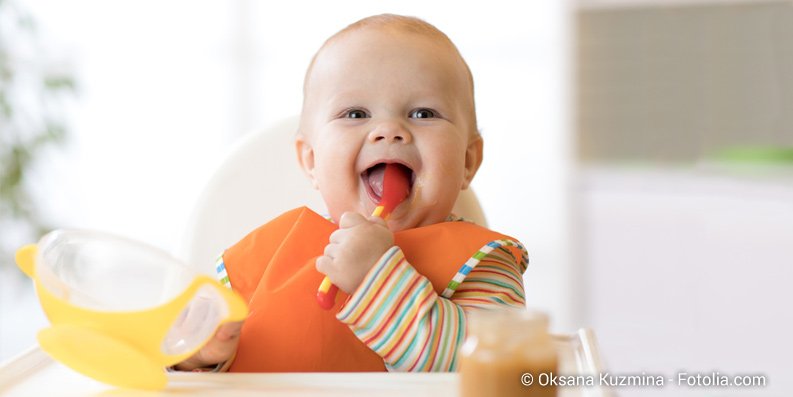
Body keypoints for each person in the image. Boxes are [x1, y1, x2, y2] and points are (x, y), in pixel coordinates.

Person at [175, 13, 528, 373]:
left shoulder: (484, 266)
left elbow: (487, 371)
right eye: (356, 113)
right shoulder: (270, 255)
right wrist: (198, 355)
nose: (389, 131)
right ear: (311, 160)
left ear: (468, 161)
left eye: (423, 113)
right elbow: (199, 375)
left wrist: (376, 279)